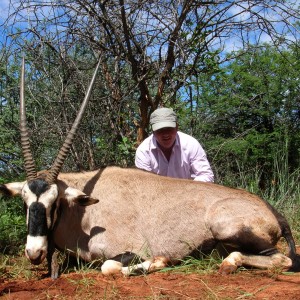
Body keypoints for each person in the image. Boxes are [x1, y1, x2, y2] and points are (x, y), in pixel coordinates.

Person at [135, 107, 214, 182]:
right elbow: (144, 183)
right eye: (160, 130)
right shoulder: (143, 151)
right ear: (153, 131)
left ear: (177, 127)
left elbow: (206, 175)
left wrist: (187, 190)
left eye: (169, 129)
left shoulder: (191, 144)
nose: (165, 134)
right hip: (157, 194)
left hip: (189, 193)